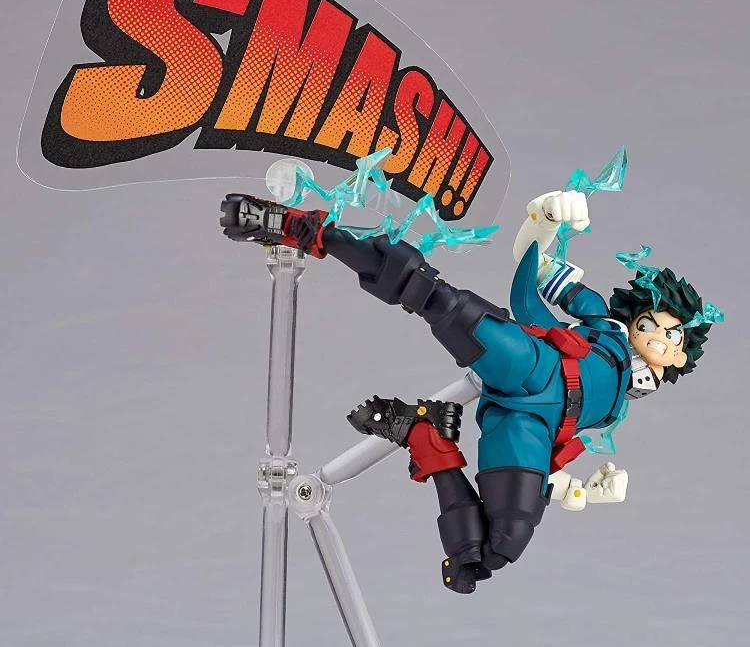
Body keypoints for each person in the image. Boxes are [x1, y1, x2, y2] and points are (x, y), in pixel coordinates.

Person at [220, 188, 712, 593]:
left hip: (529, 428)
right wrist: (546, 218)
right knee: (435, 297)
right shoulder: (604, 322)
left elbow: (557, 458)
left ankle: (421, 433)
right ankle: (311, 232)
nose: (656, 337)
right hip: (531, 364)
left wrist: (576, 490)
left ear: (679, 358)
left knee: (495, 549)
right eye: (651, 323)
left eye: (670, 337)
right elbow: (538, 265)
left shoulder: (618, 408)